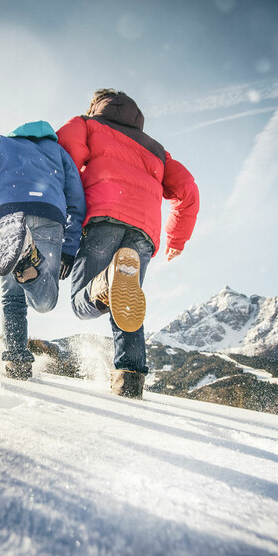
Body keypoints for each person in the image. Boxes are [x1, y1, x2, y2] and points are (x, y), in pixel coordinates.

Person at [57, 89, 199, 398]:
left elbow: (64, 155)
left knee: (83, 304)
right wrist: (178, 239)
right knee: (127, 300)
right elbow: (187, 187)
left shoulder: (87, 124)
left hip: (103, 217)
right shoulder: (158, 150)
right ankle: (130, 378)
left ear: (96, 107)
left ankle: (105, 282)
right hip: (144, 231)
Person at [0, 120, 86, 380]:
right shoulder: (59, 153)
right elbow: (77, 201)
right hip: (48, 217)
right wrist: (69, 249)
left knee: (12, 298)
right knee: (45, 303)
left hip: (8, 217)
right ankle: (30, 261)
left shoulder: (3, 143)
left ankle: (16, 362)